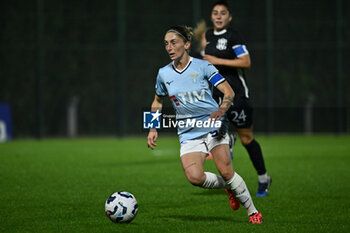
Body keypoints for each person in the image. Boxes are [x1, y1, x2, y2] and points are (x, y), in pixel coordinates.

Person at [147, 25, 263, 224]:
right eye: (166, 44)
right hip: (188, 133)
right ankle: (230, 187)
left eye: (173, 42)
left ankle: (252, 211)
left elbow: (229, 92)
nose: (169, 47)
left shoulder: (203, 66)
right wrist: (152, 127)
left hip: (214, 126)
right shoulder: (163, 74)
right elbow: (157, 101)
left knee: (226, 171)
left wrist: (221, 111)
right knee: (195, 178)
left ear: (187, 44)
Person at [203, 0, 272, 197]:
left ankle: (263, 178)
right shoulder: (207, 36)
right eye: (215, 12)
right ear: (211, 16)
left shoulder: (234, 36)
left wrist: (216, 60)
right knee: (215, 135)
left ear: (229, 17)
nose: (218, 16)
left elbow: (246, 61)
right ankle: (231, 186)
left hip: (238, 97)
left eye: (223, 13)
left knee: (247, 139)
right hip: (216, 98)